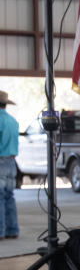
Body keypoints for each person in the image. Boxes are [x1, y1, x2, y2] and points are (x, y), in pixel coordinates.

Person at [0, 90, 19, 240]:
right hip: (11, 161)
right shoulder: (13, 121)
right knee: (9, 196)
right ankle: (12, 229)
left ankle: (0, 230)